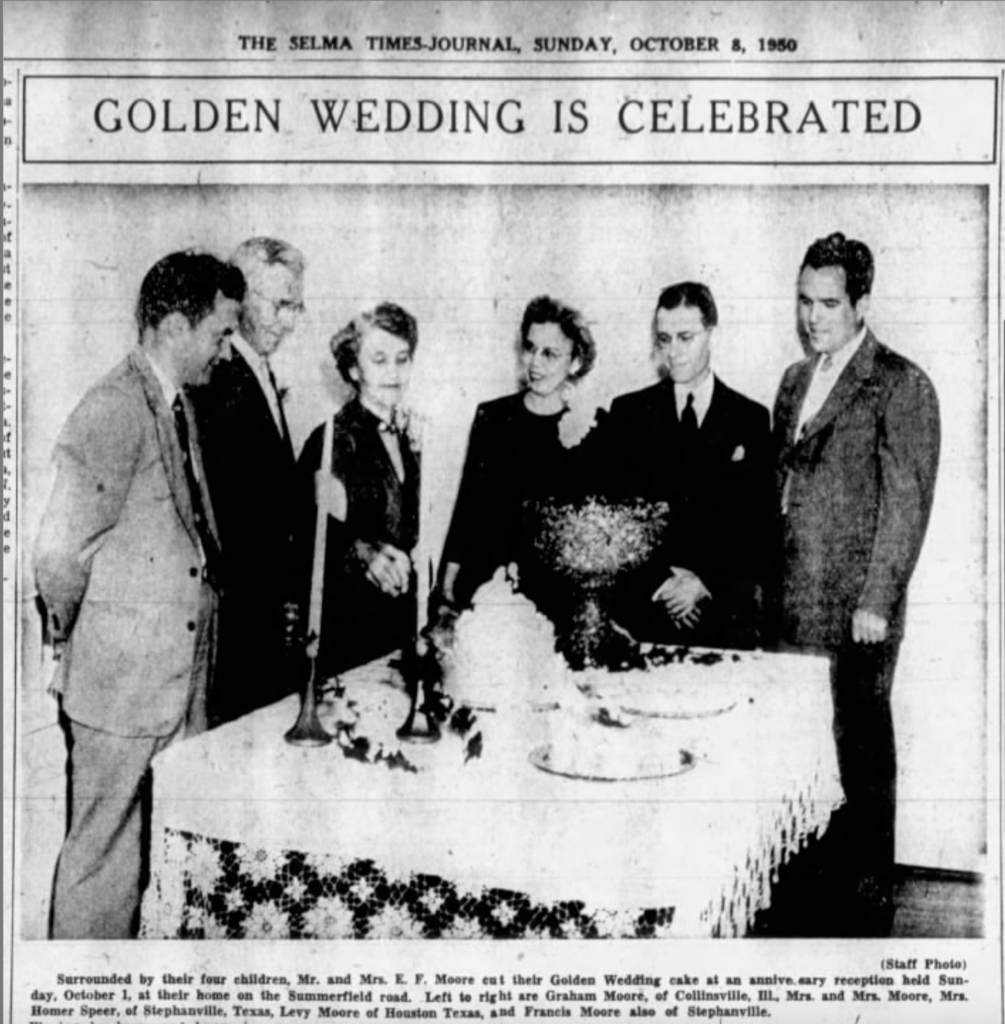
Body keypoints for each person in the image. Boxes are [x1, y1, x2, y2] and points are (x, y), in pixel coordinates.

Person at [34, 250, 243, 938]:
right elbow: (60, 554)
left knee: (157, 872)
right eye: (218, 332)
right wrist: (82, 640)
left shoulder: (175, 403)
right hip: (121, 689)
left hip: (172, 684)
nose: (226, 349)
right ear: (176, 326)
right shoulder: (113, 407)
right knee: (102, 869)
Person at [772, 232, 940, 934]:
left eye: (829, 304)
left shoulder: (899, 382)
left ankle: (866, 904)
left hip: (853, 610)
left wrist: (876, 598)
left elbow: (905, 500)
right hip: (790, 603)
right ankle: (809, 894)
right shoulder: (792, 378)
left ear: (861, 303)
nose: (814, 317)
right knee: (801, 752)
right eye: (805, 301)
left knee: (860, 750)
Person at [603, 282, 773, 649]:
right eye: (664, 339)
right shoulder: (628, 414)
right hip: (646, 615)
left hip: (721, 618)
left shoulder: (751, 419)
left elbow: (757, 526)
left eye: (685, 337)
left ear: (712, 333)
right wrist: (662, 585)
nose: (673, 353)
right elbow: (613, 521)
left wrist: (703, 583)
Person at [191, 237, 306, 726]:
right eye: (281, 305)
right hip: (243, 621)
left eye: (297, 306)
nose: (290, 321)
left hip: (268, 614)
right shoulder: (220, 377)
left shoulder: (256, 369)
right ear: (241, 303)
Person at [438, 295, 598, 614]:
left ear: (575, 362)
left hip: (555, 595)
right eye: (529, 348)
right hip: (489, 585)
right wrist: (449, 579)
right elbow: (469, 505)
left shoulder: (592, 426)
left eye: (550, 354)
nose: (534, 363)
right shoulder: (492, 417)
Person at [296, 303, 420, 676]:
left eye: (402, 359)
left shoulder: (409, 435)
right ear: (353, 368)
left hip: (400, 626)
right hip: (351, 630)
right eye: (379, 360)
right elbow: (312, 532)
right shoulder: (334, 440)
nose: (394, 373)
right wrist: (364, 553)